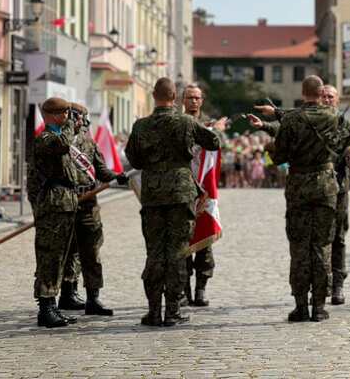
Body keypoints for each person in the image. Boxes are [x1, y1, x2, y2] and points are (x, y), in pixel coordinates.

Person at [125, 77, 221, 327]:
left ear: (153, 96)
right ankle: (173, 310)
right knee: (178, 252)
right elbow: (213, 142)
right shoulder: (187, 122)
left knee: (155, 252)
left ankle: (154, 310)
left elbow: (133, 161)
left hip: (153, 193)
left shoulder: (140, 126)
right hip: (180, 192)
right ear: (175, 98)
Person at [256, 76, 339, 322]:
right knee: (322, 245)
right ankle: (320, 306)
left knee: (300, 246)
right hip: (325, 186)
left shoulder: (291, 120)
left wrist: (272, 149)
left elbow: (279, 156)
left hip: (299, 186)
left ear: (302, 93)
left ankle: (301, 305)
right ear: (321, 92)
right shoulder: (333, 117)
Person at [58, 103, 128, 316]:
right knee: (64, 253)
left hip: (88, 206)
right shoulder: (59, 143)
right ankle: (65, 295)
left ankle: (93, 299)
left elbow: (102, 171)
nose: (78, 121)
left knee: (91, 254)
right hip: (66, 204)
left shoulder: (89, 144)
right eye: (74, 117)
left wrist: (118, 176)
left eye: (80, 117)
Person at [26, 97, 79, 328]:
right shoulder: (46, 139)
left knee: (60, 257)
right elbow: (62, 145)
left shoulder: (58, 138)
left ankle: (53, 305)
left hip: (65, 202)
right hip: (52, 204)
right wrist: (69, 127)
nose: (68, 117)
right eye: (65, 113)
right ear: (55, 115)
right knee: (49, 256)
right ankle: (45, 308)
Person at [181, 84, 227, 308]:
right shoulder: (178, 122)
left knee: (204, 244)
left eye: (197, 98)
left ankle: (200, 288)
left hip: (204, 192)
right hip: (182, 190)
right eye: (190, 97)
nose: (194, 102)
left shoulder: (210, 124)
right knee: (182, 243)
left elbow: (220, 145)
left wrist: (217, 130)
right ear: (182, 100)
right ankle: (183, 290)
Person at [320, 85, 350, 306]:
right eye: (323, 96)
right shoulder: (312, 122)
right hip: (316, 188)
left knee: (338, 238)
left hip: (338, 188)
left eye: (330, 97)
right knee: (318, 238)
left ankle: (338, 284)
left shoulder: (347, 125)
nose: (326, 99)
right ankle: (320, 283)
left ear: (338, 100)